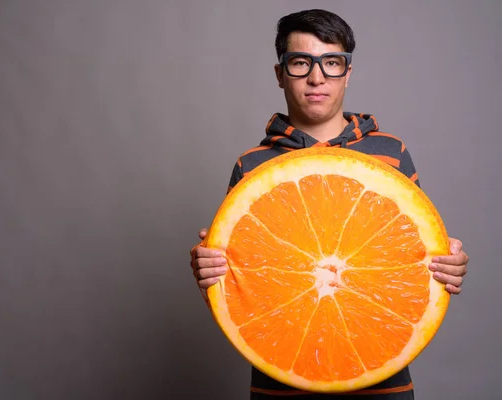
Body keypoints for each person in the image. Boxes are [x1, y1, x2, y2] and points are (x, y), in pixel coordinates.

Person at [189, 9, 470, 400]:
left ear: (348, 73)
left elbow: (410, 261)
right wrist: (210, 273)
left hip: (382, 385)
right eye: (301, 62)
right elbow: (246, 286)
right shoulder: (251, 166)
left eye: (331, 63)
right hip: (281, 386)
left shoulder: (391, 153)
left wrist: (448, 263)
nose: (317, 77)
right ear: (280, 73)